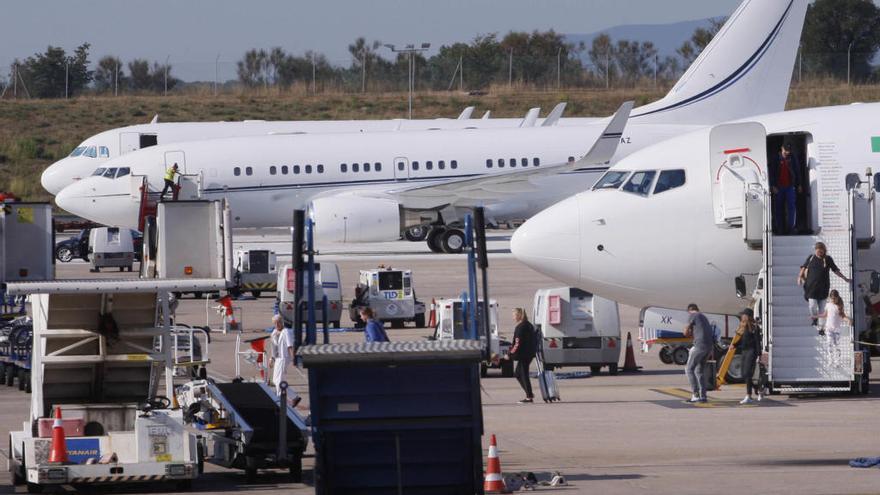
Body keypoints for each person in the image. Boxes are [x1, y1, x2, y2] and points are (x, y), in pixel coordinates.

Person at [797, 242, 850, 336]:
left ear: (824, 251)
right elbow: (803, 268)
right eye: (817, 251)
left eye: (820, 252)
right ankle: (814, 318)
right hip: (811, 288)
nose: (819, 253)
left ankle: (821, 328)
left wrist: (844, 278)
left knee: (822, 310)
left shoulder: (828, 259)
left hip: (823, 289)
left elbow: (835, 270)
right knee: (812, 306)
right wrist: (799, 277)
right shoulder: (811, 258)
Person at [684, 303, 714, 403]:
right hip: (709, 347)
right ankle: (703, 396)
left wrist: (686, 331)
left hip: (700, 346)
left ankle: (695, 394)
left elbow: (686, 332)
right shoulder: (703, 317)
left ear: (689, 310)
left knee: (689, 369)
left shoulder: (693, 315)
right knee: (699, 371)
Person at [269, 315, 301, 407]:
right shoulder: (274, 333)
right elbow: (273, 348)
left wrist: (293, 358)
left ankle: (280, 399)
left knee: (279, 380)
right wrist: (272, 359)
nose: (277, 324)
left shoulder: (286, 331)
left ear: (282, 322)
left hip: (284, 358)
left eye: (278, 322)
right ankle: (294, 397)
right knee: (276, 381)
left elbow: (289, 346)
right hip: (278, 358)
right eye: (275, 323)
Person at [769, 143, 801, 234]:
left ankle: (791, 227)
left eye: (789, 151)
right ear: (781, 148)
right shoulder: (776, 158)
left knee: (792, 207)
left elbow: (797, 171)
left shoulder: (792, 158)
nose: (787, 152)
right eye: (785, 150)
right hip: (779, 187)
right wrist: (772, 185)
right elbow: (771, 173)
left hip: (790, 187)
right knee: (778, 208)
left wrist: (799, 184)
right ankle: (779, 228)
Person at [507, 308, 536, 404]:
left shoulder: (520, 327)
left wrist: (510, 354)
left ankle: (529, 397)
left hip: (524, 355)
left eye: (514, 315)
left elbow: (517, 343)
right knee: (518, 374)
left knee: (523, 374)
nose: (513, 317)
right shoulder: (529, 325)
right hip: (529, 354)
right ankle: (529, 393)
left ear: (519, 315)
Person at [734, 308, 762, 404]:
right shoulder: (743, 326)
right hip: (744, 351)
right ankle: (758, 389)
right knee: (743, 374)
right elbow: (741, 339)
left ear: (748, 316)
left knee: (747, 373)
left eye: (743, 315)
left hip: (751, 351)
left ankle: (748, 396)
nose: (742, 316)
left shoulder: (754, 327)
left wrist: (759, 354)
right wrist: (733, 345)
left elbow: (757, 341)